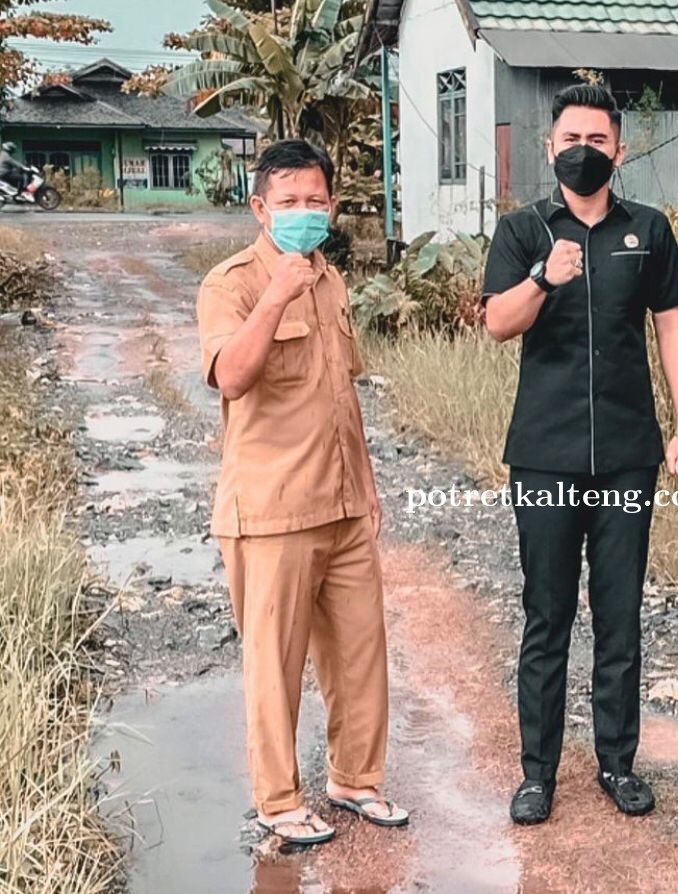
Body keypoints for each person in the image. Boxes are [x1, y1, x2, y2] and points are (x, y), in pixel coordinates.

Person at [482, 84, 678, 825]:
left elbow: (671, 327)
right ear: (550, 147)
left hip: (626, 453)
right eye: (572, 139)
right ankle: (537, 774)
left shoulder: (648, 229)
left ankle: (618, 763)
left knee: (620, 614)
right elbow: (497, 323)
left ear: (620, 150)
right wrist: (543, 276)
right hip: (544, 454)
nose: (584, 151)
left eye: (598, 140)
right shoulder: (522, 229)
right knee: (546, 615)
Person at [196, 139, 407, 846]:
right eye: (288, 201)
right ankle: (279, 800)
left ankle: (354, 779)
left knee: (360, 653)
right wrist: (276, 295)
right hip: (271, 510)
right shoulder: (230, 284)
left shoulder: (332, 281)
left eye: (316, 200)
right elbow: (231, 376)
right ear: (260, 208)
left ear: (333, 206)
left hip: (343, 502)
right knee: (275, 666)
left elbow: (343, 392)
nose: (304, 212)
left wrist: (367, 487)